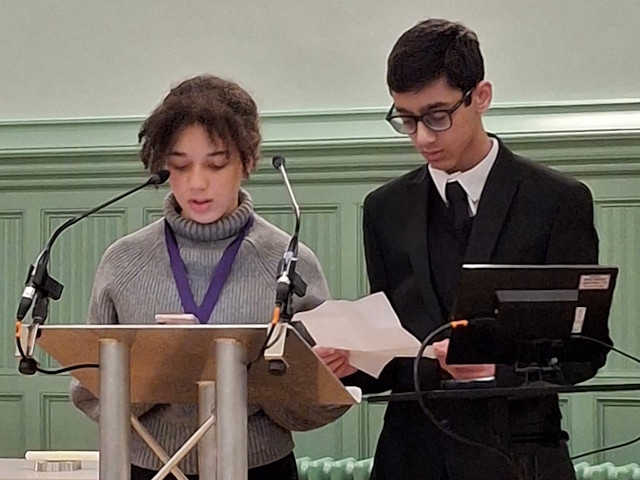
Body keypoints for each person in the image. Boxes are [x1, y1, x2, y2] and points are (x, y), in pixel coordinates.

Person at [316, 18, 610, 480]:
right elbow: (395, 352)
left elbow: (585, 352)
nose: (422, 138)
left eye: (437, 116)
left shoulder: (556, 200)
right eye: (406, 119)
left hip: (518, 459)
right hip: (409, 458)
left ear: (481, 96)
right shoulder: (383, 209)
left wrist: (496, 372)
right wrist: (350, 364)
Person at [70, 74, 347, 480]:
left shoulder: (291, 261)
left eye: (216, 164)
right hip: (145, 466)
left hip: (261, 467)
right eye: (180, 166)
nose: (197, 183)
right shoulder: (123, 261)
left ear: (247, 161)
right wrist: (166, 372)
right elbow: (87, 393)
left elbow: (316, 406)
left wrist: (267, 382)